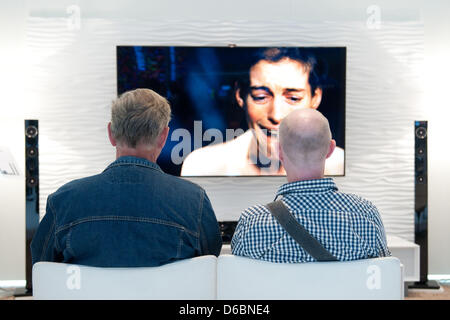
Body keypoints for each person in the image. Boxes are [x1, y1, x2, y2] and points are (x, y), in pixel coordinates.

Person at [31, 88, 222, 267]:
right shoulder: (194, 200)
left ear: (111, 134)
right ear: (164, 136)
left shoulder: (64, 200)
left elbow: (42, 268)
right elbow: (209, 267)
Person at [231, 108, 389, 262]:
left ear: (279, 151)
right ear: (331, 149)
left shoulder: (251, 222)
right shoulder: (365, 215)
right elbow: (382, 276)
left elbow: (239, 281)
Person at [181, 47, 344, 176]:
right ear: (240, 95)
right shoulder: (204, 166)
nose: (276, 115)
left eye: (293, 98)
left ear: (315, 97)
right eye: (261, 97)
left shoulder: (338, 165)